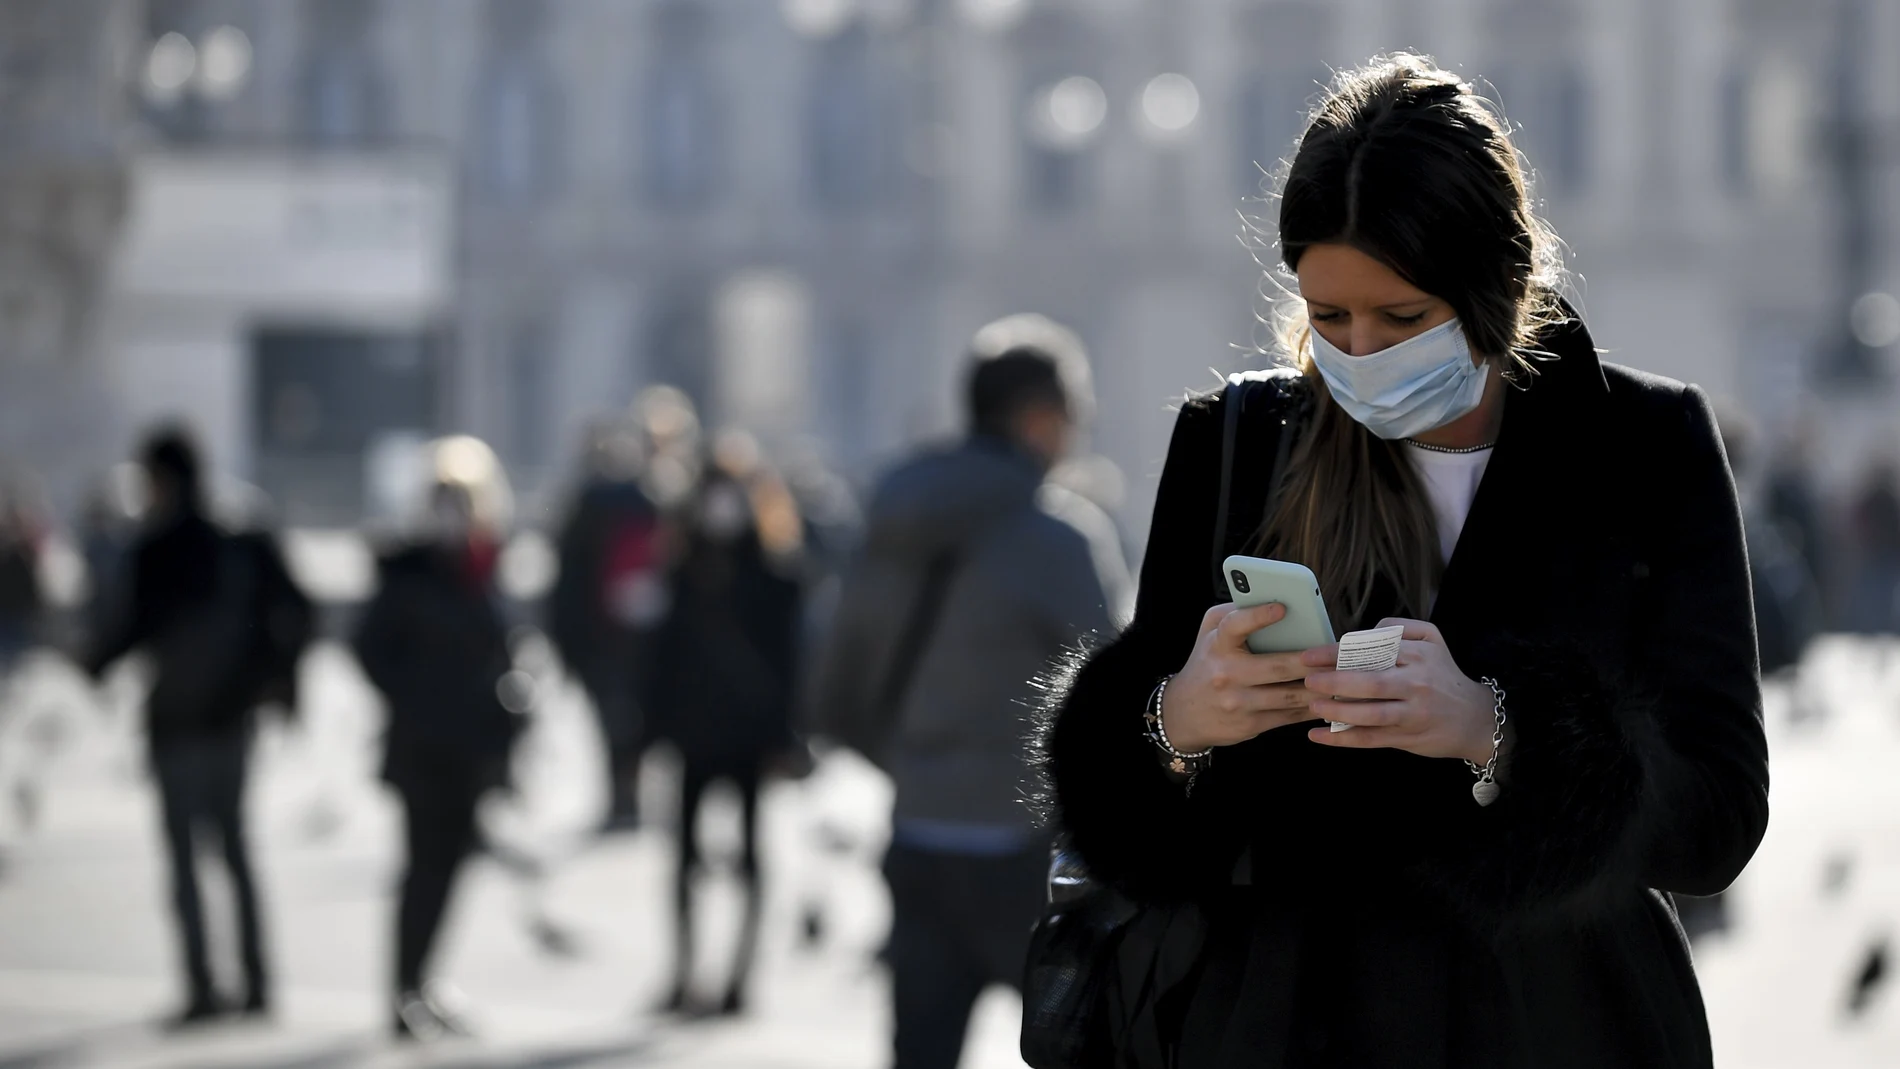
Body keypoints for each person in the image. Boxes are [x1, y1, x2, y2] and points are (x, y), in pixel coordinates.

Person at [1037, 55, 1767, 1069]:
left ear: (1496, 288)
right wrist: (1171, 721)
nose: (1359, 353)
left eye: (1402, 319)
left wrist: (1496, 732)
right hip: (1283, 1025)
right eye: (1328, 318)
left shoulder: (1647, 444)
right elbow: (1133, 822)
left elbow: (1718, 820)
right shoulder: (1239, 438)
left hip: (1556, 1028)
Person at [808, 314, 1131, 1069]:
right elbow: (1114, 700)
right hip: (1021, 845)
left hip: (916, 828)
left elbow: (834, 677)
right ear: (1039, 417)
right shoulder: (1057, 538)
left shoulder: (890, 517)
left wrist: (907, 760)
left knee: (920, 1049)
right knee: (1084, 1044)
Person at [85, 427, 312, 1027]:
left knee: (188, 861)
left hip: (179, 723)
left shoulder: (158, 547)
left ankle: (203, 988)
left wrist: (86, 664)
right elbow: (298, 611)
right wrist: (278, 682)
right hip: (231, 719)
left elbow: (127, 630)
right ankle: (257, 982)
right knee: (235, 852)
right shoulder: (241, 536)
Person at [352, 437, 525, 1040]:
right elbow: (371, 650)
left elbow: (502, 648)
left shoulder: (484, 569)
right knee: (421, 868)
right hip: (423, 746)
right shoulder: (410, 571)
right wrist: (418, 695)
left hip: (472, 747)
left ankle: (423, 982)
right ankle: (402, 989)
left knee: (451, 868)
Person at [647, 431, 805, 1016]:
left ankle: (740, 976)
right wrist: (647, 731)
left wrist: (786, 737)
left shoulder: (775, 573)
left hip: (750, 736)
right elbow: (660, 657)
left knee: (751, 858)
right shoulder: (683, 569)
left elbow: (791, 663)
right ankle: (684, 971)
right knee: (683, 857)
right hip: (693, 733)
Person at [548, 418, 666, 829]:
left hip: (607, 639)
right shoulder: (647, 502)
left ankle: (623, 797)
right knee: (627, 721)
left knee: (616, 721)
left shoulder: (592, 506)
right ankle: (625, 796)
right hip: (624, 638)